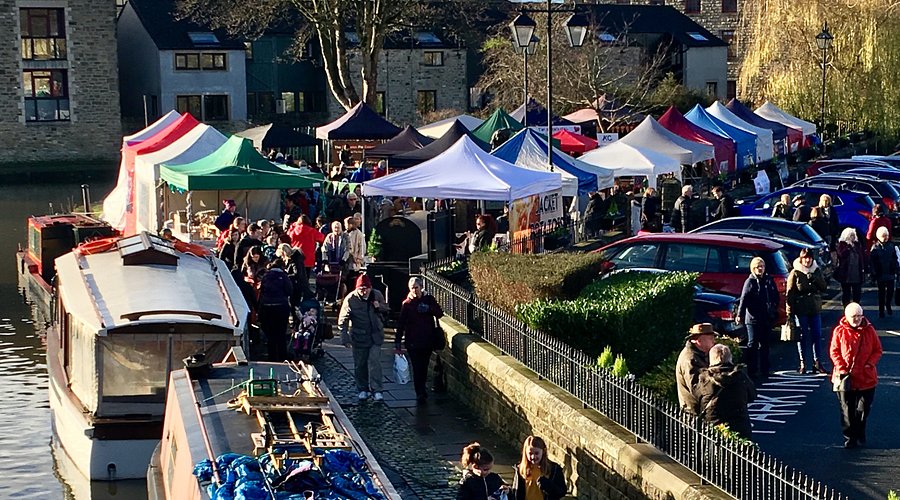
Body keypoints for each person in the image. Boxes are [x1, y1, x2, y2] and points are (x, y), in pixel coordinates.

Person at [830, 302, 882, 448]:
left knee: (863, 409)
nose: (857, 319)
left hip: (866, 377)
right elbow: (834, 351)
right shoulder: (839, 331)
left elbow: (877, 350)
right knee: (847, 410)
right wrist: (841, 367)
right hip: (846, 377)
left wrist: (869, 364)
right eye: (854, 316)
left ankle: (859, 430)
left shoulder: (869, 330)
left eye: (860, 316)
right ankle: (850, 437)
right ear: (847, 317)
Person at [338, 274, 389, 401]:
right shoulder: (350, 299)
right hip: (359, 336)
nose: (364, 291)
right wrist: (344, 338)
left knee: (374, 362)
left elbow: (386, 308)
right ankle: (362, 389)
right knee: (360, 364)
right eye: (361, 289)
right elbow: (342, 320)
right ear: (357, 289)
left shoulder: (376, 295)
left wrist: (379, 306)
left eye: (366, 288)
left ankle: (377, 390)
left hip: (375, 335)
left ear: (370, 288)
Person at [395, 277, 444, 404]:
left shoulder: (429, 299)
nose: (414, 290)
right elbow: (401, 324)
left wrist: (428, 309)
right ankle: (420, 392)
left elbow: (439, 313)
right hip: (413, 342)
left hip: (427, 340)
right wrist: (398, 343)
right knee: (417, 367)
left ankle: (422, 389)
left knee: (424, 366)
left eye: (416, 287)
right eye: (412, 288)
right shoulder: (407, 304)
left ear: (421, 287)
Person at [696, 344, 757, 438]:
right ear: (730, 358)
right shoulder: (740, 376)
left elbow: (697, 399)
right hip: (739, 425)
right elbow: (752, 395)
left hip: (713, 427)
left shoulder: (704, 379)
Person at [786, 248, 828, 374]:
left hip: (814, 308)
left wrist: (815, 278)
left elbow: (824, 287)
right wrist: (790, 313)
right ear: (801, 259)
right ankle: (803, 363)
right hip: (801, 309)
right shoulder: (795, 273)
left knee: (817, 335)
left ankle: (817, 362)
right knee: (802, 336)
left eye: (809, 258)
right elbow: (790, 294)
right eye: (805, 258)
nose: (807, 260)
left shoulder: (816, 271)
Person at [736, 256, 779, 378]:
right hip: (753, 318)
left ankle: (765, 370)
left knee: (765, 344)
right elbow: (743, 299)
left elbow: (774, 295)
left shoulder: (768, 280)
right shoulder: (750, 282)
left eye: (762, 267)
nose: (760, 269)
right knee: (753, 344)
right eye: (758, 267)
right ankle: (752, 370)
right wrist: (740, 314)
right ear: (753, 269)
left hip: (766, 317)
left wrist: (773, 307)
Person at [676, 323, 717, 415]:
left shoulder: (700, 355)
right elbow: (698, 389)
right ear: (698, 340)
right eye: (711, 338)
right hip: (695, 413)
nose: (714, 341)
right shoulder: (690, 359)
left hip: (701, 410)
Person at [510, 435, 567, 500]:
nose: (533, 457)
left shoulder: (554, 469)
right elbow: (515, 492)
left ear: (543, 452)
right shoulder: (520, 469)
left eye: (536, 453)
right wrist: (509, 490)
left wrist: (548, 485)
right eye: (530, 453)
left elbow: (562, 492)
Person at [258, 259, 293, 361]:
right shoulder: (284, 277)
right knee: (281, 333)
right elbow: (289, 291)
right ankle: (282, 356)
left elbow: (262, 291)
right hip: (281, 307)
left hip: (267, 307)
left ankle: (272, 357)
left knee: (271, 335)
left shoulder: (266, 276)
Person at [869, 226, 898, 317]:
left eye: (886, 236)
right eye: (883, 236)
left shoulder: (891, 246)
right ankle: (881, 310)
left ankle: (888, 305)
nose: (885, 238)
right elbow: (872, 262)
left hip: (890, 273)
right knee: (881, 293)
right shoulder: (875, 248)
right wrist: (873, 274)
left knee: (890, 292)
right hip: (880, 274)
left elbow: (895, 258)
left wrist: (896, 269)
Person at [835, 227, 866, 306]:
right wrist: (848, 246)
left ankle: (856, 307)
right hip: (846, 274)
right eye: (850, 236)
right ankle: (846, 307)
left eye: (853, 235)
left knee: (857, 293)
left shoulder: (857, 245)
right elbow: (841, 254)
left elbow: (862, 256)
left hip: (856, 274)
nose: (852, 238)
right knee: (846, 293)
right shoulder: (841, 245)